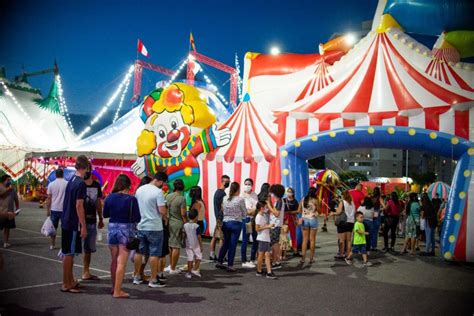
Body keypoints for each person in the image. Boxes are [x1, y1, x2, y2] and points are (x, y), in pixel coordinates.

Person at [103, 174, 141, 298]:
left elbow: (105, 214)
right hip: (126, 230)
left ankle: (114, 287)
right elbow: (138, 218)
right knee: (121, 262)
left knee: (114, 260)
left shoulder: (109, 197)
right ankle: (117, 291)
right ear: (128, 185)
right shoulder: (131, 200)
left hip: (112, 229)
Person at [60, 155, 90, 294]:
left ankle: (70, 280)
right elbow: (79, 205)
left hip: (66, 219)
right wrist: (83, 226)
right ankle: (66, 283)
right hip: (72, 222)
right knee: (69, 254)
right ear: (86, 167)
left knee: (68, 253)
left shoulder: (71, 179)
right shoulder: (81, 183)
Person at [134, 171, 168, 288]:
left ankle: (137, 276)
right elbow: (162, 210)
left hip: (141, 225)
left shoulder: (140, 189)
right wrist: (166, 216)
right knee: (154, 253)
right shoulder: (158, 192)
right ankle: (153, 279)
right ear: (160, 181)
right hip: (154, 227)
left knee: (139, 252)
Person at [216, 182, 246, 272]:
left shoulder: (225, 198)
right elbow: (244, 213)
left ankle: (220, 261)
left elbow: (222, 209)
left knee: (226, 242)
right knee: (232, 244)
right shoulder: (240, 199)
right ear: (238, 189)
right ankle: (230, 265)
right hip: (236, 223)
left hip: (226, 222)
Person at [82, 170, 104, 281]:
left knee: (88, 249)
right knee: (72, 249)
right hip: (78, 221)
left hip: (91, 220)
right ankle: (69, 276)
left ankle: (86, 272)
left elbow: (98, 202)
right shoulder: (79, 183)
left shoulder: (96, 185)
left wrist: (100, 218)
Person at [132, 176, 152, 283]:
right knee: (145, 251)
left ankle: (137, 274)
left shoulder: (137, 193)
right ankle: (139, 273)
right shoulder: (150, 194)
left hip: (138, 224)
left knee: (139, 251)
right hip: (147, 225)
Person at [166, 179, 187, 274]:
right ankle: (173, 268)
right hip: (178, 223)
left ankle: (170, 265)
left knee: (170, 245)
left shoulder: (168, 196)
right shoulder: (182, 198)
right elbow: (183, 214)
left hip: (169, 222)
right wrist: (186, 223)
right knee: (176, 247)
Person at [45, 168, 68, 250]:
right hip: (64, 210)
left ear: (55, 174)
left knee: (53, 228)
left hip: (54, 209)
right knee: (65, 228)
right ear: (63, 174)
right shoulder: (67, 184)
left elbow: (49, 199)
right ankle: (64, 245)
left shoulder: (51, 184)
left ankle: (52, 244)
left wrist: (47, 210)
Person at [210, 175, 230, 261]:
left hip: (218, 217)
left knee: (215, 236)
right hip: (221, 218)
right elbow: (223, 207)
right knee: (222, 237)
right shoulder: (222, 193)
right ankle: (222, 256)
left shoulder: (217, 192)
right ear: (222, 182)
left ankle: (212, 254)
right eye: (227, 181)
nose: (228, 183)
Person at [255, 201, 277, 279]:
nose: (266, 208)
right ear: (261, 208)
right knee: (261, 256)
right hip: (262, 238)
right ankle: (259, 270)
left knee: (267, 255)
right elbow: (257, 229)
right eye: (265, 207)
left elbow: (263, 225)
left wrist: (269, 226)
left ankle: (268, 272)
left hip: (266, 238)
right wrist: (268, 227)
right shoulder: (258, 217)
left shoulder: (263, 215)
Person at [298, 187, 319, 264]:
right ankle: (311, 258)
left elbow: (299, 210)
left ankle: (303, 259)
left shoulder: (303, 199)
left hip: (304, 220)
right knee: (312, 240)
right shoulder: (315, 200)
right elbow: (319, 210)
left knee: (305, 240)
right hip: (313, 219)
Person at [240, 178, 258, 268]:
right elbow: (244, 211)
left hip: (254, 219)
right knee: (245, 240)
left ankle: (252, 259)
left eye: (249, 184)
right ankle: (244, 260)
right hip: (246, 219)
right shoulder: (242, 196)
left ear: (252, 185)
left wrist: (252, 210)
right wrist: (250, 211)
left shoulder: (255, 195)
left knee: (255, 239)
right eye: (246, 184)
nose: (247, 185)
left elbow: (257, 208)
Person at [335, 190, 355, 264]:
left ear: (343, 195)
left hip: (343, 222)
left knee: (342, 240)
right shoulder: (352, 203)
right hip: (351, 222)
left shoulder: (342, 202)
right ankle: (348, 254)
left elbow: (339, 212)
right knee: (349, 240)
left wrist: (334, 212)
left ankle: (342, 254)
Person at [268, 184, 286, 269]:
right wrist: (270, 203)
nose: (271, 194)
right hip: (276, 225)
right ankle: (276, 261)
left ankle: (276, 262)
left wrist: (268, 204)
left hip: (276, 225)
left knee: (275, 245)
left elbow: (276, 213)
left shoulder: (279, 201)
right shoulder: (279, 201)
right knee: (275, 244)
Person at [0, 175, 18, 248]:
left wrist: (17, 208)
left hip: (10, 212)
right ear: (3, 181)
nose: (9, 181)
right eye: (7, 180)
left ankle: (5, 242)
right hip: (1, 212)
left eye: (10, 180)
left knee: (7, 228)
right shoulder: (0, 187)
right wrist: (8, 189)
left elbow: (16, 199)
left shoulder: (13, 190)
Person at [184, 209, 202, 279]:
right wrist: (201, 245)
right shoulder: (196, 226)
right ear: (196, 217)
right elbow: (199, 237)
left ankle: (189, 273)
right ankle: (195, 269)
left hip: (188, 244)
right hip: (196, 244)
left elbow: (184, 234)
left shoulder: (185, 225)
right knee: (199, 257)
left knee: (190, 258)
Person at [283, 187, 299, 256]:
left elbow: (298, 211)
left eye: (290, 192)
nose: (289, 193)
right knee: (284, 235)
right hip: (285, 219)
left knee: (293, 235)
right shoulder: (283, 200)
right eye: (288, 191)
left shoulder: (295, 201)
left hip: (292, 219)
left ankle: (295, 251)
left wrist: (291, 212)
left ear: (293, 193)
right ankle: (283, 254)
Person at [370, 187, 385, 251]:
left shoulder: (371, 197)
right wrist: (379, 210)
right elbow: (384, 207)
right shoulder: (379, 198)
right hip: (377, 215)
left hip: (370, 214)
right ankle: (374, 246)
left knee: (370, 230)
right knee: (375, 231)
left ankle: (369, 245)